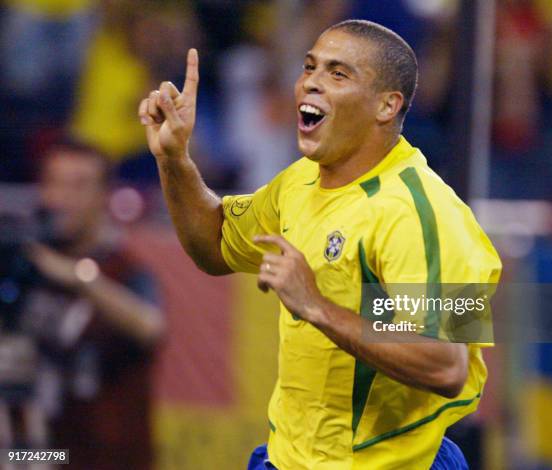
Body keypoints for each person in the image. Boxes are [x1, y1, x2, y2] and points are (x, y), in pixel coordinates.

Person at [139, 19, 501, 469]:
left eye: (337, 73)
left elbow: (447, 365)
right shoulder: (301, 182)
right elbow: (214, 245)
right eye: (309, 67)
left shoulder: (424, 214)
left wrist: (316, 306)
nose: (311, 82)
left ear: (386, 105)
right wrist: (174, 159)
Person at [20, 141, 164, 469]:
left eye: (79, 185)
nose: (63, 198)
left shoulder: (125, 270)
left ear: (104, 195)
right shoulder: (25, 267)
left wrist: (80, 279)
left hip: (106, 459)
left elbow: (153, 328)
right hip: (42, 454)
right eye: (54, 183)